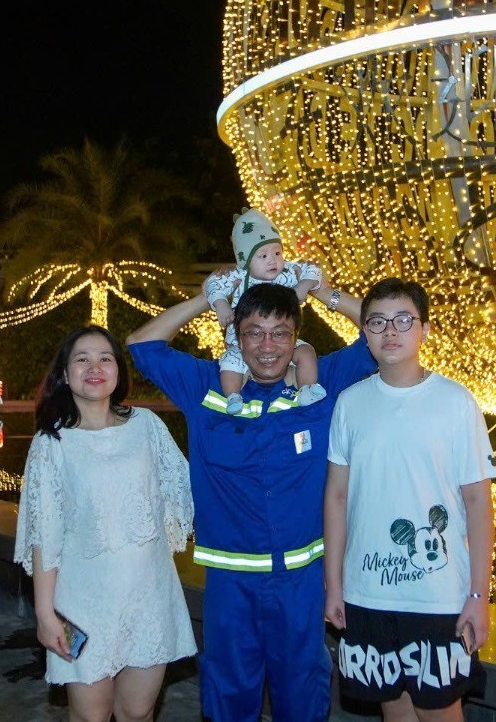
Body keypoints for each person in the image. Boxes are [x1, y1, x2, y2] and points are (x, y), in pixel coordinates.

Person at [127, 281, 375, 722]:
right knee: (227, 697)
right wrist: (209, 297)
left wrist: (320, 292)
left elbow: (375, 336)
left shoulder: (317, 387)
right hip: (230, 583)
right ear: (236, 339)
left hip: (301, 582)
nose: (267, 346)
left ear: (297, 339)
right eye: (254, 332)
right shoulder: (207, 386)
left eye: (280, 332)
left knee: (303, 698)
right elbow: (142, 344)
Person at [324, 279, 496, 722]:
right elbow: (338, 497)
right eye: (377, 322)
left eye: (404, 320)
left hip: (437, 597)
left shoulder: (456, 403)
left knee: (441, 713)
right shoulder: (349, 403)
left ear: (424, 329)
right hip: (369, 594)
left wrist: (479, 594)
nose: (390, 332)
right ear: (364, 333)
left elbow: (478, 502)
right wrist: (335, 586)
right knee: (395, 713)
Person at [13, 326, 197, 722]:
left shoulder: (147, 426)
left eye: (105, 358)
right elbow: (44, 533)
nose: (94, 367)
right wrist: (46, 615)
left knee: (137, 711)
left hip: (148, 597)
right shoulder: (52, 443)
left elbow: (184, 486)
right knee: (91, 715)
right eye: (82, 359)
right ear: (64, 374)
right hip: (83, 604)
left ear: (118, 371)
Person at [208, 209, 362, 415]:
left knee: (306, 352)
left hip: (281, 347)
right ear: (245, 261)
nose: (272, 261)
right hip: (238, 345)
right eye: (263, 256)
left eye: (277, 253)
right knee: (230, 363)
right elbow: (212, 285)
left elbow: (313, 270)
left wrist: (308, 287)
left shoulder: (287, 273)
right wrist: (221, 304)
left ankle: (306, 389)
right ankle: (233, 396)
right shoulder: (238, 276)